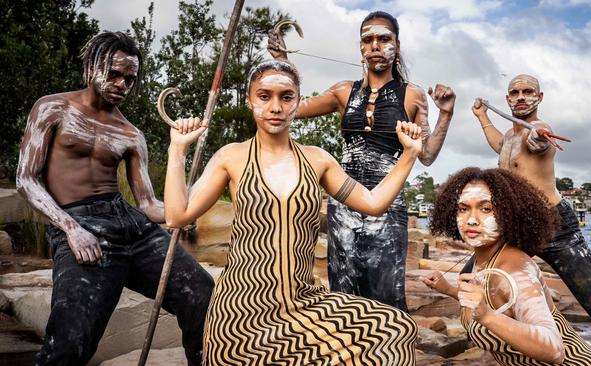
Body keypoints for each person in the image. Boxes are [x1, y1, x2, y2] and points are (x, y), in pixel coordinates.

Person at [165, 59, 418, 365]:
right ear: (249, 100)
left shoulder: (318, 160)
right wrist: (177, 150)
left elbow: (374, 203)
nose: (275, 107)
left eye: (286, 97)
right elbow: (177, 216)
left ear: (297, 102)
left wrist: (409, 154)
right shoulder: (230, 156)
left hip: (301, 303)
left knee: (395, 327)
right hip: (242, 311)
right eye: (264, 96)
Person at [15, 31, 214, 365]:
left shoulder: (131, 134)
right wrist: (70, 229)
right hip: (80, 223)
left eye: (130, 79)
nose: (123, 84)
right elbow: (25, 178)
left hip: (132, 226)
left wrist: (179, 211)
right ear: (92, 66)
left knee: (201, 290)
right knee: (70, 342)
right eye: (115, 74)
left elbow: (147, 203)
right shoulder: (52, 107)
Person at [268, 11, 456, 310]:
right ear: (360, 47)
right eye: (368, 40)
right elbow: (293, 108)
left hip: (389, 201)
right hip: (344, 200)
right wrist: (284, 63)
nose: (375, 46)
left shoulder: (413, 95)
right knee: (344, 287)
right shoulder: (344, 91)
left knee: (386, 288)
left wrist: (445, 113)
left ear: (396, 44)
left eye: (384, 39)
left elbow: (428, 155)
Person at [470, 74, 591, 364]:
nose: (521, 97)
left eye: (528, 92)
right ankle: (525, 342)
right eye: (514, 93)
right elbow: (499, 144)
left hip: (556, 226)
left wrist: (539, 135)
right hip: (520, 228)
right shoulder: (510, 137)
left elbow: (538, 138)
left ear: (539, 98)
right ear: (507, 100)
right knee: (478, 275)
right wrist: (481, 117)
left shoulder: (538, 129)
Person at [421, 167, 591, 365]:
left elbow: (554, 350)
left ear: (508, 213)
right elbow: (498, 303)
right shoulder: (484, 258)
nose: (472, 219)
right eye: (463, 208)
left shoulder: (514, 270)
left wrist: (487, 317)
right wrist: (449, 289)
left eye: (486, 209)